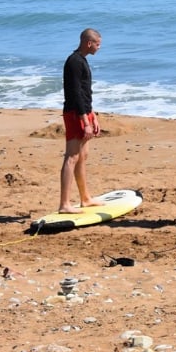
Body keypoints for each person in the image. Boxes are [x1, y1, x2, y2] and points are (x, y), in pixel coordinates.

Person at [59, 28, 103, 213]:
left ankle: (85, 198)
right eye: (98, 44)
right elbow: (75, 94)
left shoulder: (82, 60)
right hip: (75, 114)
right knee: (72, 157)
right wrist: (85, 121)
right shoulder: (74, 62)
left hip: (84, 112)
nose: (99, 48)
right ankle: (64, 204)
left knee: (82, 156)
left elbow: (85, 93)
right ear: (89, 43)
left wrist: (93, 116)